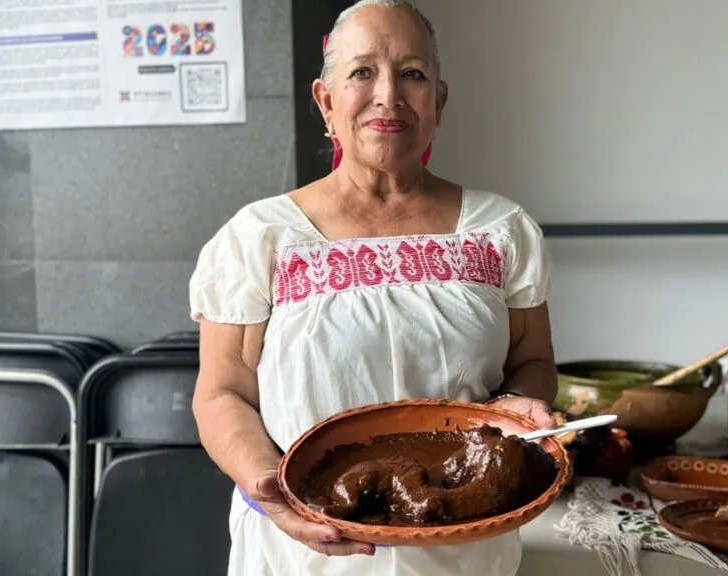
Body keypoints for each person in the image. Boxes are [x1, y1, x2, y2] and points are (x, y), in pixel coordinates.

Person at [188, 1, 559, 574]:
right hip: (303, 552)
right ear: (326, 100)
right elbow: (222, 394)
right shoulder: (259, 238)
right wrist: (270, 487)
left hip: (465, 549)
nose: (389, 95)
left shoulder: (500, 230)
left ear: (439, 101)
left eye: (412, 73)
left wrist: (514, 409)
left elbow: (532, 361)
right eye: (363, 72)